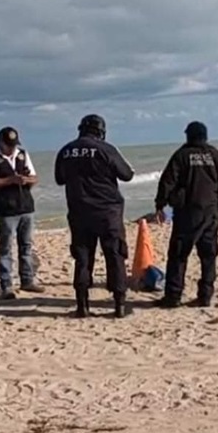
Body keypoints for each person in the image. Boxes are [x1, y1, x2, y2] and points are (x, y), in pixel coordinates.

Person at [54, 114, 135, 318]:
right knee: (115, 255)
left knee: (82, 257)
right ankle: (119, 305)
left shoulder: (66, 150)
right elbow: (127, 174)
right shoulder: (107, 149)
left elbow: (59, 179)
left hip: (79, 211)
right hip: (108, 212)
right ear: (101, 132)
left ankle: (82, 305)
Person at [154, 121, 218, 308]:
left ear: (189, 135)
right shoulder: (216, 155)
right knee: (208, 256)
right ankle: (205, 295)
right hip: (211, 212)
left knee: (178, 255)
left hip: (188, 212)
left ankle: (173, 296)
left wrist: (160, 204)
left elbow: (168, 180)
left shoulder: (182, 155)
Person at [0, 126, 45, 299]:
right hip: (6, 209)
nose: (12, 149)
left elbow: (34, 177)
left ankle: (27, 279)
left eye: (14, 145)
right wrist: (11, 180)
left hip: (26, 206)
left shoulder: (22, 154)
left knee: (26, 245)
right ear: (0, 143)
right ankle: (6, 284)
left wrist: (27, 180)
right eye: (8, 145)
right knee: (6, 247)